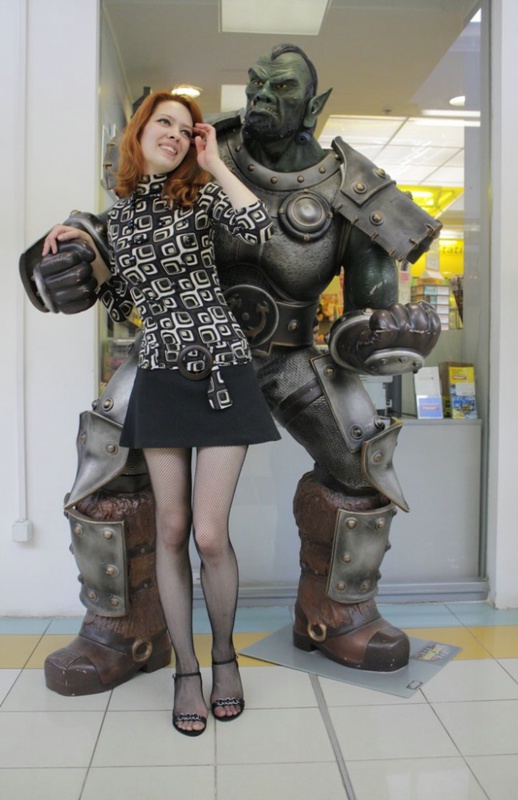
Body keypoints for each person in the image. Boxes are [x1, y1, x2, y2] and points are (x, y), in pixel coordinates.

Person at [21, 44, 441, 694]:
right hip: (171, 356)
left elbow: (367, 309)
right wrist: (72, 254)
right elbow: (120, 236)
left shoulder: (352, 188)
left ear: (315, 104)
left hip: (286, 357)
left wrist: (387, 331)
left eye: (282, 87)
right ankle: (122, 626)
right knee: (107, 452)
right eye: (256, 83)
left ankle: (337, 611)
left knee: (360, 459)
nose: (262, 96)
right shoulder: (191, 153)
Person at [42, 90, 280, 736]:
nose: (174, 133)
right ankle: (186, 672)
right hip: (161, 374)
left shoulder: (199, 195)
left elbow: (260, 229)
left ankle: (224, 658)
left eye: (185, 127)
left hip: (222, 368)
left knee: (210, 535)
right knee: (171, 530)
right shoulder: (117, 218)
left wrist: (215, 163)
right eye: (163, 122)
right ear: (139, 132)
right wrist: (81, 247)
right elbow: (123, 304)